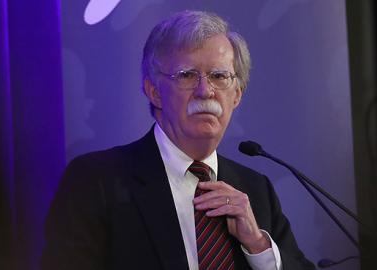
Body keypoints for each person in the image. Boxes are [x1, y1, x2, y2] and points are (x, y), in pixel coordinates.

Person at [41, 10, 315, 270]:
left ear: (237, 95)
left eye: (219, 76)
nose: (205, 91)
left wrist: (257, 246)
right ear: (154, 91)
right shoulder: (96, 180)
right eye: (187, 75)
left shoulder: (256, 191)